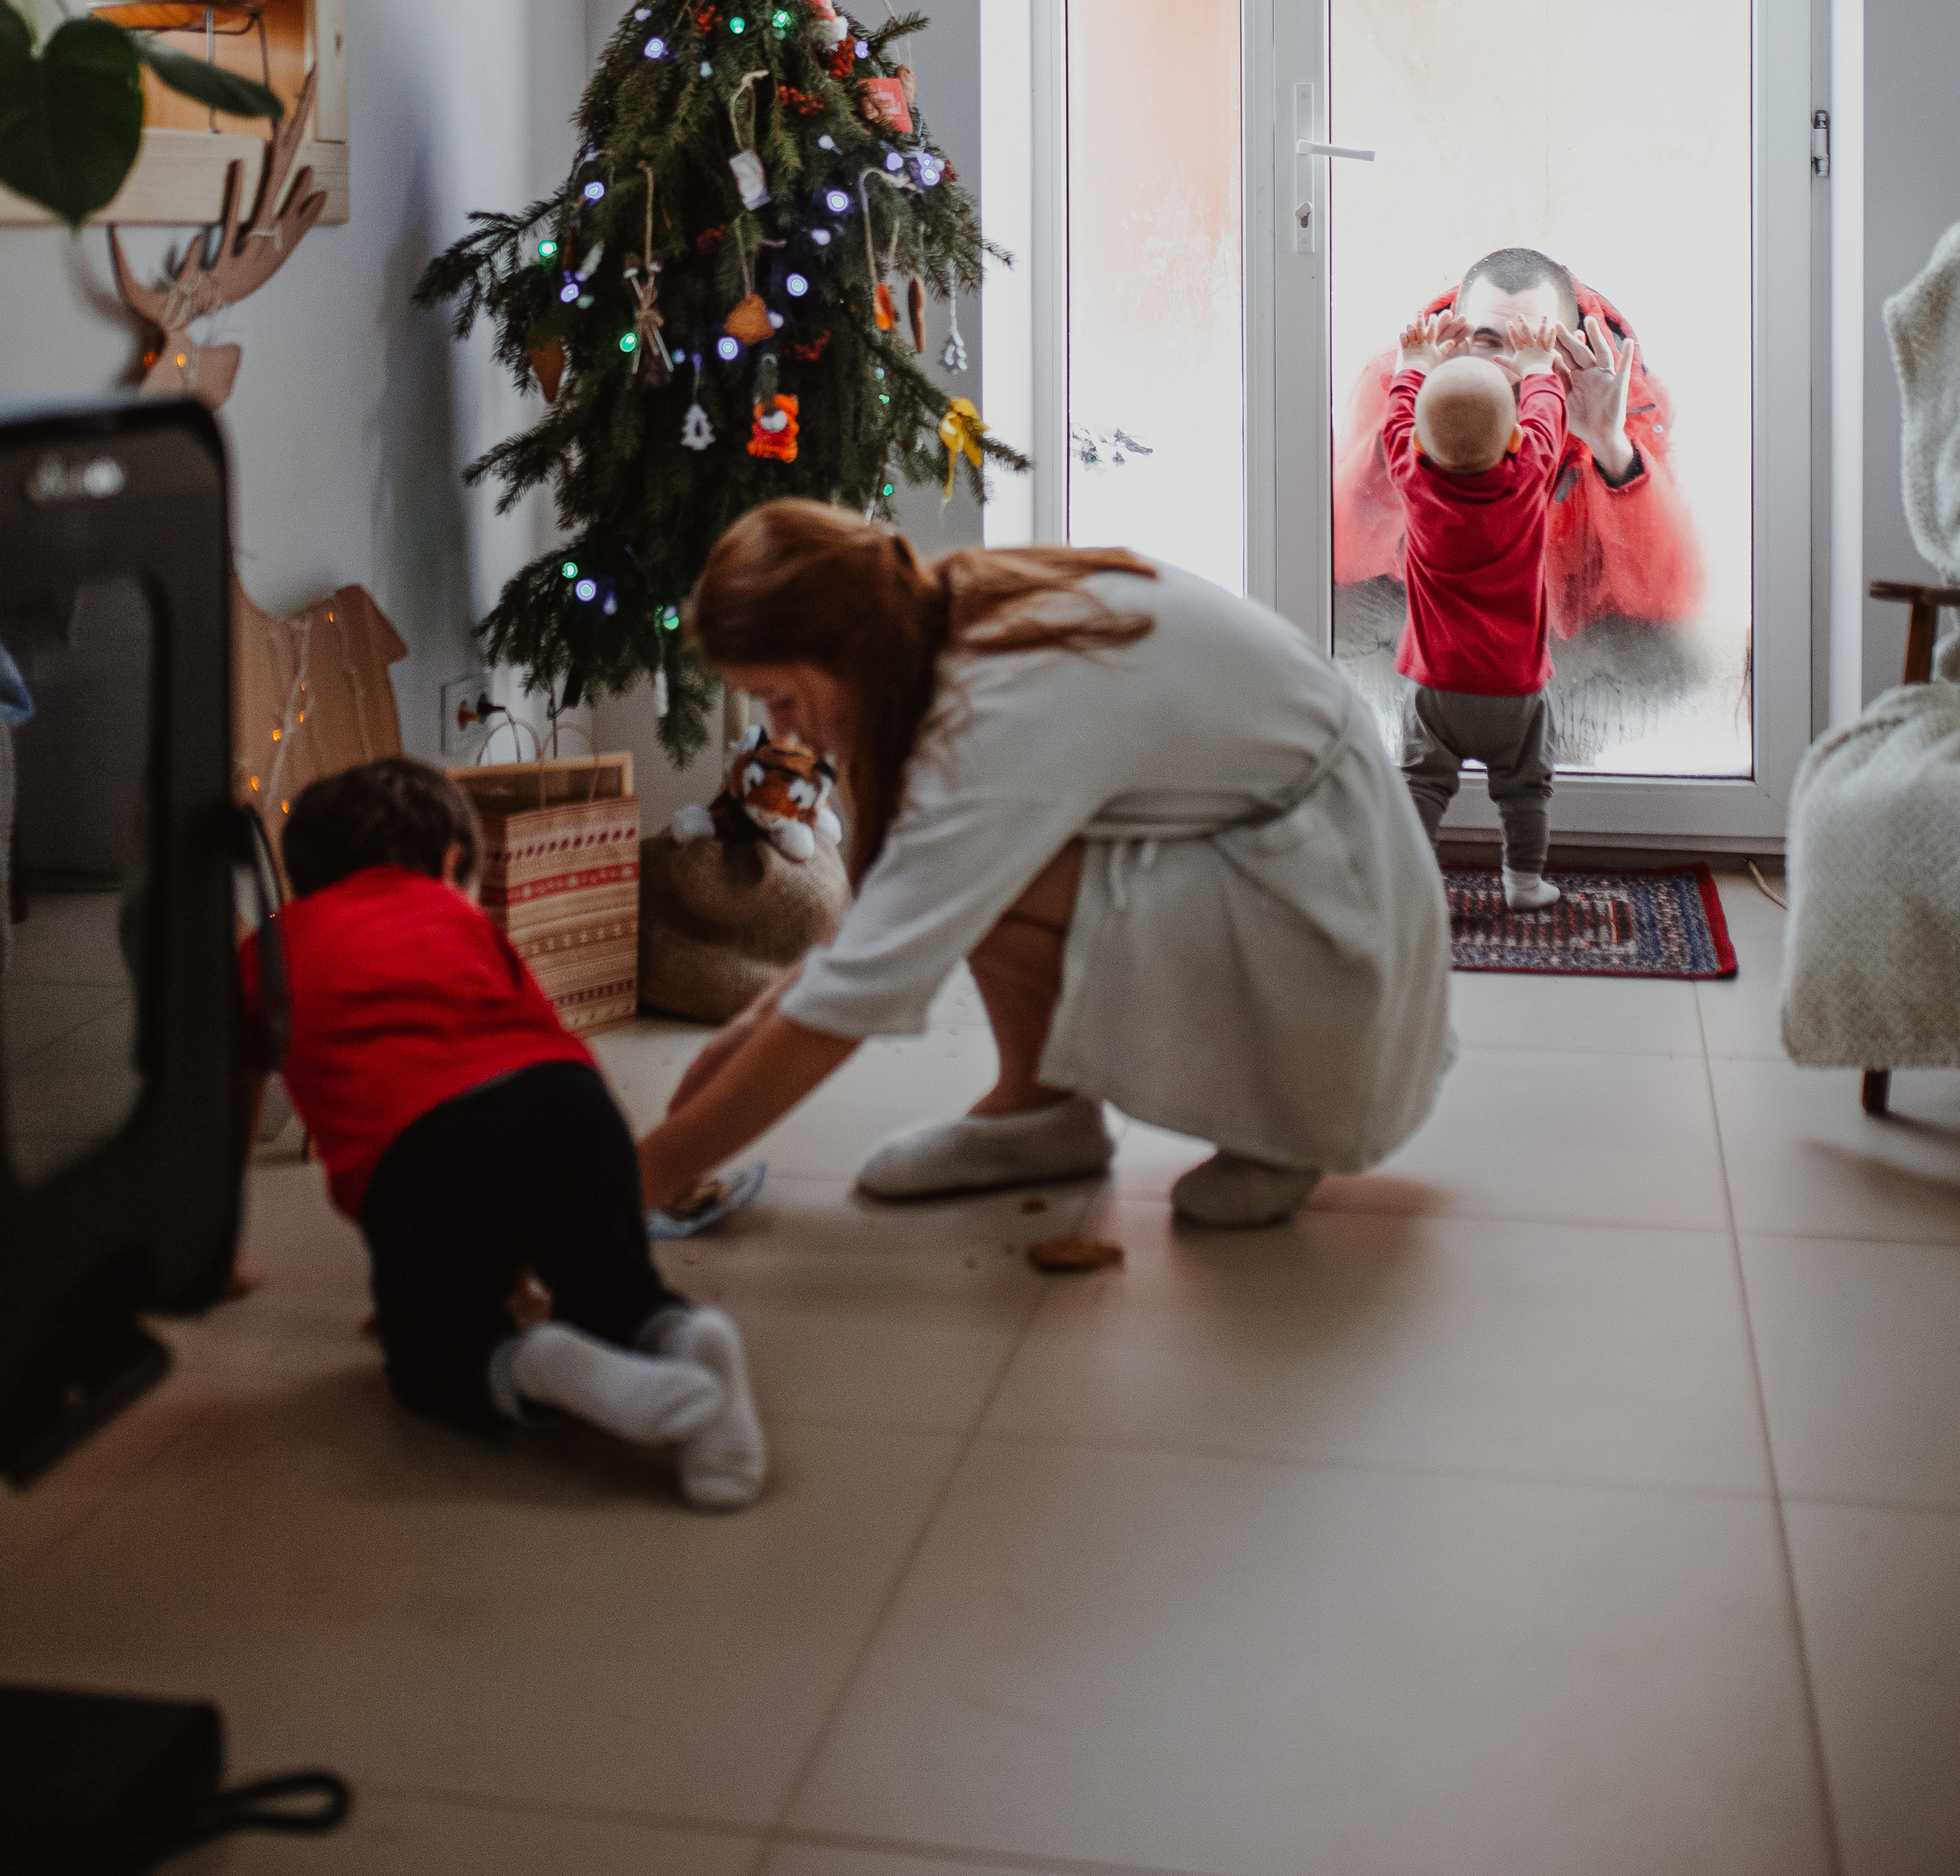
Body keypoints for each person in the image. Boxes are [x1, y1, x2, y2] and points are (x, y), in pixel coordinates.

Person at [635, 505, 1454, 1235]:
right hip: (1302, 862)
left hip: (1337, 930)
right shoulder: (950, 610)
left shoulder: (996, 705)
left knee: (980, 876)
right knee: (970, 870)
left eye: (781, 698)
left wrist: (639, 1180)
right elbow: (888, 910)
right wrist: (752, 1025)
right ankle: (1037, 1114)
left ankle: (1285, 1119)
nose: (785, 732)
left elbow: (865, 982)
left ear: (839, 649)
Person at [238, 756, 764, 1510]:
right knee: (613, 1289)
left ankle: (535, 1365)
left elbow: (234, 1080)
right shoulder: (463, 920)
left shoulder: (272, 947)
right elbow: (537, 1045)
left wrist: (217, 1243)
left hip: (425, 1148)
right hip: (574, 1109)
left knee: (431, 1354)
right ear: (450, 863)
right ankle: (684, 1337)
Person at [1334, 245, 1707, 761]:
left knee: (1673, 667)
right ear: (1457, 337)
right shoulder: (1399, 381)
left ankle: (1542, 773)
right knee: (1329, 624)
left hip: (1559, 644)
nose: (1509, 369)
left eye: (1535, 346)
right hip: (1432, 622)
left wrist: (1611, 447)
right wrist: (1427, 430)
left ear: (1574, 347)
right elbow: (1335, 558)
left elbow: (1669, 601)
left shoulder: (1625, 401)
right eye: (1488, 342)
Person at [1384, 308, 1568, 911]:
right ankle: (1523, 883)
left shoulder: (1414, 477)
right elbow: (1546, 420)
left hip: (1436, 684)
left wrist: (1414, 364)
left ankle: (1414, 889)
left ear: (1418, 443)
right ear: (1515, 439)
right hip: (1515, 688)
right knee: (1525, 789)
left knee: (1422, 786)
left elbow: (1397, 421)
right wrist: (1537, 368)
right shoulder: (1529, 472)